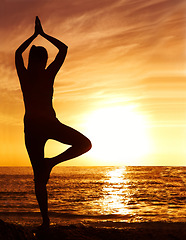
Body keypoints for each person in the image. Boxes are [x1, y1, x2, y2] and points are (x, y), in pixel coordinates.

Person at [15, 16, 92, 229]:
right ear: (42, 61)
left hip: (34, 126)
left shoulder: (26, 75)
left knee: (41, 175)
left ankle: (46, 220)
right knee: (82, 146)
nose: (43, 63)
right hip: (43, 125)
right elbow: (63, 48)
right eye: (42, 60)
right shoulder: (43, 74)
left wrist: (34, 36)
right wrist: (41, 35)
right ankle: (45, 221)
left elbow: (17, 54)